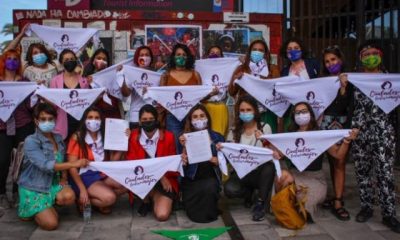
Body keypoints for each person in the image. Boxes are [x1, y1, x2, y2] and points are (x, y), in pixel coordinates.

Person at [341, 40, 400, 233]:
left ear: (381, 55)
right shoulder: (355, 80)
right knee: (362, 172)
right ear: (360, 58)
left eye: (373, 53)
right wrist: (343, 85)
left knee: (385, 172)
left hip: (383, 132)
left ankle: (389, 213)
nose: (370, 57)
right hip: (359, 132)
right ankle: (366, 207)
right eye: (365, 54)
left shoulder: (391, 80)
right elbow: (344, 102)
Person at [274, 102, 358, 222]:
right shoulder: (290, 135)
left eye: (304, 111)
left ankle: (293, 203)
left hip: (315, 178)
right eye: (297, 112)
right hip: (295, 175)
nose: (301, 115)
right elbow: (279, 154)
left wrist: (346, 141)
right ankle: (281, 202)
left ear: (310, 114)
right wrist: (274, 151)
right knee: (281, 175)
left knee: (303, 207)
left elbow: (338, 155)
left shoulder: (320, 134)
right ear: (293, 116)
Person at [17, 103, 89, 230]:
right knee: (51, 224)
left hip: (53, 183)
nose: (47, 122)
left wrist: (64, 178)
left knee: (69, 196)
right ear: (36, 121)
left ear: (55, 120)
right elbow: (45, 165)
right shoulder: (31, 141)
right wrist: (74, 163)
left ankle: (46, 206)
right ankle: (30, 209)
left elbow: (62, 158)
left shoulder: (58, 138)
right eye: (43, 119)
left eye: (50, 119)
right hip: (35, 186)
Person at [224, 95, 275, 221]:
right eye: (242, 110)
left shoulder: (264, 127)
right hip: (241, 173)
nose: (245, 113)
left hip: (259, 172)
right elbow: (229, 155)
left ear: (255, 111)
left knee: (269, 168)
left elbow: (270, 153)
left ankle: (260, 203)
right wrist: (224, 148)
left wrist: (263, 140)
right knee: (229, 189)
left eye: (248, 110)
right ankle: (248, 192)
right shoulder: (235, 131)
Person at [67, 107, 127, 214]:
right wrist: (82, 190)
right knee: (110, 198)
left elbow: (112, 161)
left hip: (102, 173)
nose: (93, 120)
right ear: (84, 120)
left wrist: (124, 141)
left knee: (127, 184)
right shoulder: (78, 137)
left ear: (101, 120)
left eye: (97, 118)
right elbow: (72, 166)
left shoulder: (105, 135)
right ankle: (84, 200)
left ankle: (96, 198)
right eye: (90, 117)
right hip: (85, 176)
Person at [125, 104, 179, 221]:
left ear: (156, 120)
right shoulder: (133, 136)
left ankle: (154, 196)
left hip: (166, 180)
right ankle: (146, 200)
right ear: (139, 121)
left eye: (151, 119)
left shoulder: (169, 137)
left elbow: (172, 164)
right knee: (136, 175)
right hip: (142, 179)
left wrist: (162, 177)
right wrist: (159, 176)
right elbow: (132, 164)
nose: (148, 122)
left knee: (162, 215)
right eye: (144, 120)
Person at [319, 46, 353, 221]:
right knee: (332, 162)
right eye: (327, 61)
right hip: (326, 124)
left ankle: (339, 201)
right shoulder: (322, 81)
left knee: (339, 162)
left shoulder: (350, 80)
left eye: (333, 59)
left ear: (340, 59)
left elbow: (348, 105)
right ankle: (336, 196)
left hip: (342, 124)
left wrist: (343, 88)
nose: (330, 63)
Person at [0, 49, 35, 210]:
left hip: (23, 124)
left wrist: (35, 93)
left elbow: (29, 106)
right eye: (9, 58)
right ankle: (1, 195)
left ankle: (16, 192)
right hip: (2, 126)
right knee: (3, 160)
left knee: (21, 160)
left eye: (15, 59)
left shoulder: (24, 81)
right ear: (3, 61)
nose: (12, 61)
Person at [179, 104, 224, 223]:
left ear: (207, 118)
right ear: (191, 120)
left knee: (210, 187)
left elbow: (227, 159)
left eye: (202, 116)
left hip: (210, 177)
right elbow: (180, 165)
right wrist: (183, 150)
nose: (199, 119)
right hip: (192, 179)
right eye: (195, 117)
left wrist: (218, 160)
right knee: (192, 210)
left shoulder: (217, 137)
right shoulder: (184, 138)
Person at [228, 40, 280, 133]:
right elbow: (231, 92)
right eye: (254, 49)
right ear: (250, 52)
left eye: (260, 50)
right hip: (246, 112)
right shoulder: (242, 68)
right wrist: (236, 80)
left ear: (265, 53)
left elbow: (278, 89)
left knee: (267, 141)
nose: (257, 52)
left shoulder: (273, 69)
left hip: (266, 112)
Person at [159, 43, 203, 153]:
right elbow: (161, 99)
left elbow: (201, 96)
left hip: (193, 116)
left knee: (194, 147)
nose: (181, 57)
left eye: (184, 54)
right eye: (178, 54)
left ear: (188, 57)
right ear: (173, 57)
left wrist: (211, 93)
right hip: (172, 117)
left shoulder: (195, 75)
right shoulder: (166, 75)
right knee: (176, 147)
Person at [50, 49, 89, 141]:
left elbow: (87, 103)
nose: (70, 61)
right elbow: (53, 105)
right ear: (61, 63)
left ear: (76, 60)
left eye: (72, 59)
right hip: (62, 124)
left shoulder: (84, 80)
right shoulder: (55, 81)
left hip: (80, 124)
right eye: (66, 60)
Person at [120, 46, 156, 129]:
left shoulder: (156, 75)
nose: (144, 57)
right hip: (135, 116)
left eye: (147, 55)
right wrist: (123, 77)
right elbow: (126, 94)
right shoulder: (131, 73)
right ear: (137, 58)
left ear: (151, 58)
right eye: (141, 55)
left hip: (152, 116)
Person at [83, 48, 122, 119]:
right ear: (93, 61)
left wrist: (120, 75)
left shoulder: (114, 76)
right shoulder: (87, 78)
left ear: (107, 62)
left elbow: (121, 94)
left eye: (104, 59)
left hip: (114, 117)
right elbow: (85, 102)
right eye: (99, 58)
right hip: (95, 118)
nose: (101, 61)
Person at [202, 46, 230, 137]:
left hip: (220, 108)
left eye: (218, 54)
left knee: (219, 137)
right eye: (212, 53)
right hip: (206, 107)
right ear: (207, 55)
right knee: (206, 137)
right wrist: (209, 95)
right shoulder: (201, 70)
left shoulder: (226, 70)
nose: (215, 55)